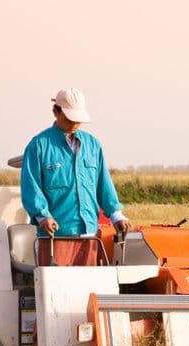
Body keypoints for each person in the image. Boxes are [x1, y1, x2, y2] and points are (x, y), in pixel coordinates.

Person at [20, 87, 129, 265]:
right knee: (56, 289)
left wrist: (116, 215)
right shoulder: (39, 145)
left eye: (78, 119)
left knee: (87, 289)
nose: (74, 123)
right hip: (56, 237)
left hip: (89, 235)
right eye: (70, 117)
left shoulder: (93, 145)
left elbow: (103, 183)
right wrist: (42, 216)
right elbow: (30, 186)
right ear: (56, 112)